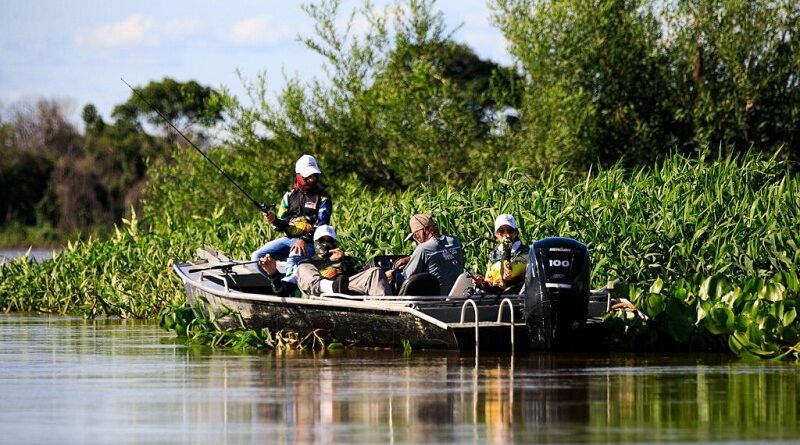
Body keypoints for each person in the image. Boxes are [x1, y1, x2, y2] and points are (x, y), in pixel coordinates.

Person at [251, 154, 332, 274]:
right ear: (298, 176)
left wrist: (303, 240)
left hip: (313, 243)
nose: (312, 179)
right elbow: (281, 225)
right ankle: (279, 284)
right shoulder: (288, 196)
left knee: (294, 256)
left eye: (314, 175)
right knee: (257, 257)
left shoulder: (323, 198)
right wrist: (273, 220)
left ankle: (288, 288)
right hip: (289, 239)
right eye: (308, 176)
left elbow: (322, 226)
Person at [292, 225, 394, 298]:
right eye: (322, 240)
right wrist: (329, 262)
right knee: (302, 268)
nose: (326, 243)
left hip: (348, 290)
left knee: (375, 271)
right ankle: (332, 287)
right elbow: (302, 281)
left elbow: (362, 275)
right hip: (321, 296)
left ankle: (387, 314)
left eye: (330, 240)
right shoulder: (309, 263)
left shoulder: (345, 259)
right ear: (315, 243)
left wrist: (345, 260)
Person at [389, 214, 464, 295]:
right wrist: (410, 258)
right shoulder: (454, 241)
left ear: (422, 231)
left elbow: (405, 277)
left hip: (435, 299)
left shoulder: (423, 248)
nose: (416, 240)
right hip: (456, 296)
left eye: (415, 236)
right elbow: (440, 255)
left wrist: (393, 274)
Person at [472, 213, 530, 294]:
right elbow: (490, 281)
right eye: (501, 231)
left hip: (519, 299)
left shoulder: (526, 252)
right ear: (495, 234)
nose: (506, 235)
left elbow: (507, 275)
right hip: (498, 299)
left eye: (510, 231)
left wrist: (507, 250)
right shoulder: (494, 254)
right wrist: (481, 283)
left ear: (516, 232)